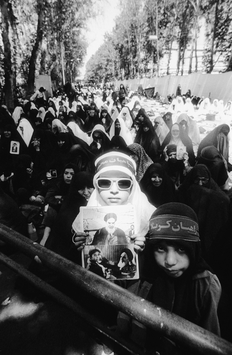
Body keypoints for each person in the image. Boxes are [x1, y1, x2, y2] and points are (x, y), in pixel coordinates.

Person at [117, 203, 221, 354]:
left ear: (194, 248)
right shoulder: (146, 271)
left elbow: (210, 343)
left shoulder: (204, 284)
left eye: (181, 249)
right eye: (160, 248)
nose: (170, 261)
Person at [72, 151, 155, 253]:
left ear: (132, 187)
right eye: (105, 183)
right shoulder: (90, 212)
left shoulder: (147, 215)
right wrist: (79, 241)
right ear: (97, 186)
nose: (114, 190)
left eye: (124, 183)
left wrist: (145, 246)